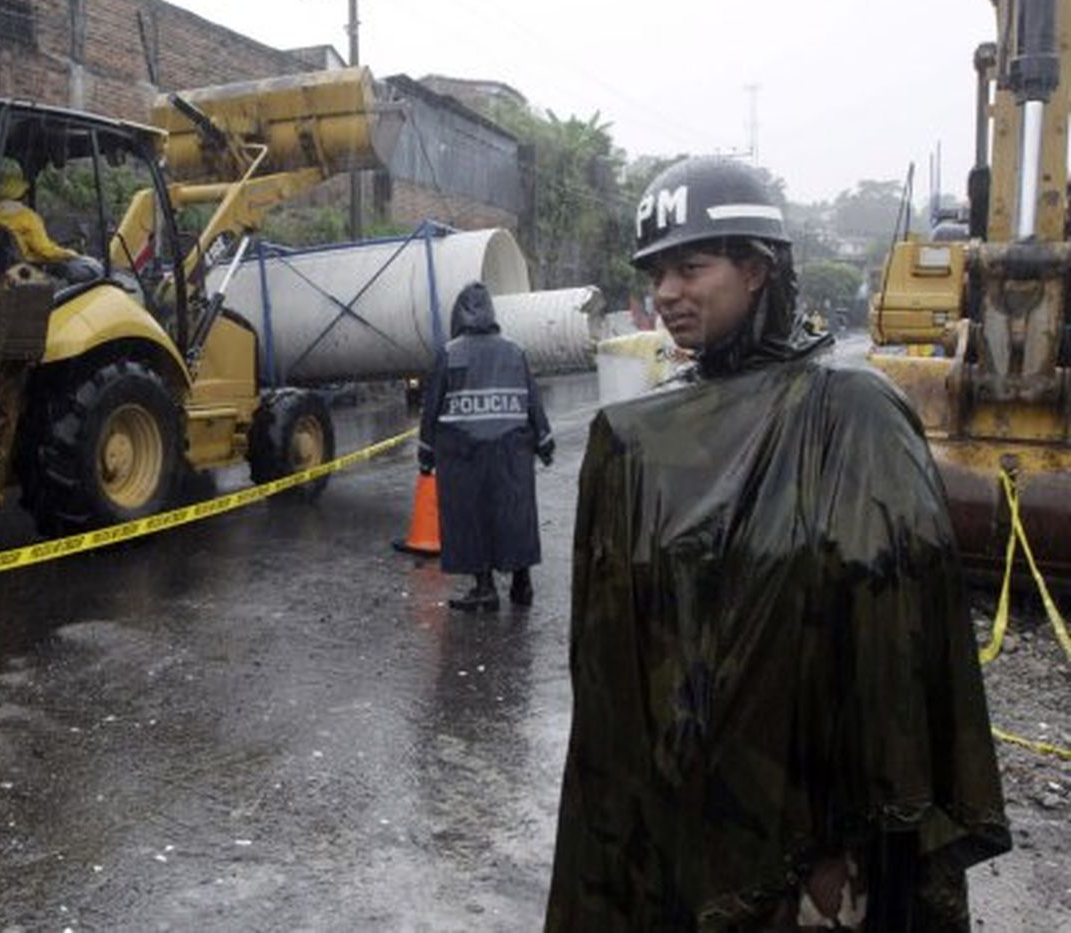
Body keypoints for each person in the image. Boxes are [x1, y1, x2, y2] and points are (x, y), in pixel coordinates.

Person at [545, 157, 1009, 929]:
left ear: (757, 270)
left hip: (814, 849)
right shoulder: (639, 439)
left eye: (691, 267)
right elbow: (612, 672)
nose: (666, 294)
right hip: (681, 823)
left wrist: (846, 838)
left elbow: (896, 653)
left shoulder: (851, 416)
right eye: (658, 272)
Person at [416, 281, 553, 612]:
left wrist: (426, 455)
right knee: (515, 515)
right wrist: (544, 443)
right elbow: (533, 402)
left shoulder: (449, 353)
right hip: (512, 452)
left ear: (459, 315)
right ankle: (522, 585)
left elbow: (431, 409)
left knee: (471, 518)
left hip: (464, 455)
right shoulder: (514, 351)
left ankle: (484, 588)